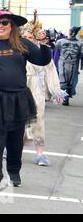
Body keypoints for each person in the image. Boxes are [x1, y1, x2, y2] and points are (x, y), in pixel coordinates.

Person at [0, 9, 51, 191]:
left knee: (15, 141)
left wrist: (44, 42)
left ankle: (14, 172)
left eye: (4, 23)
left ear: (12, 26)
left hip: (17, 99)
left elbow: (42, 60)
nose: (0, 26)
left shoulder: (23, 45)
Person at [23, 26, 65, 167]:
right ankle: (10, 147)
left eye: (30, 37)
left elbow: (52, 72)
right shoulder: (17, 52)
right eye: (25, 38)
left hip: (37, 90)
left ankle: (40, 153)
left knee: (38, 119)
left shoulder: (41, 53)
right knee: (17, 119)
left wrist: (56, 90)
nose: (27, 40)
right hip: (20, 89)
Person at [55, 26, 83, 106]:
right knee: (63, 82)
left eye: (70, 31)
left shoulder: (80, 43)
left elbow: (81, 55)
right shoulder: (60, 41)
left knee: (70, 82)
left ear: (73, 32)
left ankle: (65, 98)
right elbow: (56, 52)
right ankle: (64, 99)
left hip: (73, 65)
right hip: (62, 64)